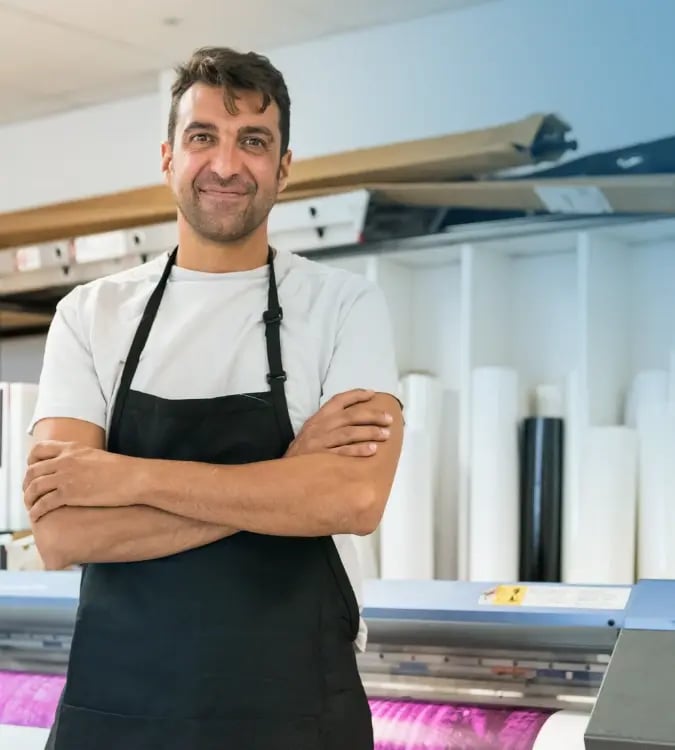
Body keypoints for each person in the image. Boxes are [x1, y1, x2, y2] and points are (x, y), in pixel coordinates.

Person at [22, 46, 404, 750]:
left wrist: (127, 477)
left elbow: (351, 501)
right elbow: (64, 533)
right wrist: (286, 483)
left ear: (283, 167)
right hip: (118, 718)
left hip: (295, 718)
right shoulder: (91, 313)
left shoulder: (343, 306)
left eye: (253, 141)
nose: (226, 165)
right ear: (168, 156)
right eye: (204, 137)